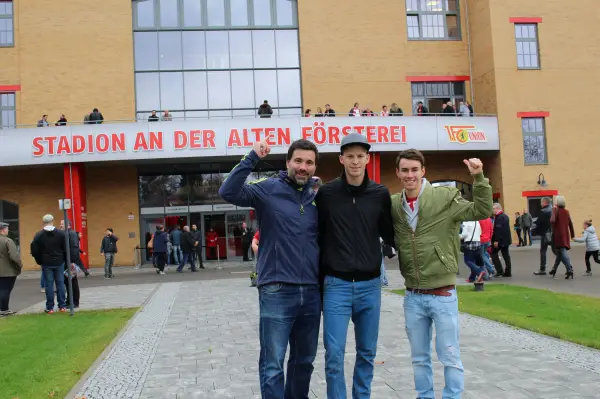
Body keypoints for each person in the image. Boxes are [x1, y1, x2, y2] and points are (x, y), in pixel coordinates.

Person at [219, 139, 321, 399]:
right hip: (276, 289)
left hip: (311, 291)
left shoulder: (318, 196)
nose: (303, 167)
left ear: (314, 167)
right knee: (273, 364)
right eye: (297, 161)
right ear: (287, 162)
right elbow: (228, 192)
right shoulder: (267, 189)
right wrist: (252, 156)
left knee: (304, 362)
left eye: (309, 162)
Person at [390, 149, 492, 399]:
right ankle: (424, 396)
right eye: (405, 170)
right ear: (398, 173)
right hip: (413, 295)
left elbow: (482, 210)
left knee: (449, 355)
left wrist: (479, 178)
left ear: (423, 171)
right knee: (419, 358)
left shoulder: (445, 197)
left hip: (443, 294)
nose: (410, 175)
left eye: (415, 169)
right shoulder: (394, 204)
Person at [316, 133, 395, 398]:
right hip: (336, 285)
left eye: (360, 156)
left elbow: (391, 233)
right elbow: (317, 235)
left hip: (369, 286)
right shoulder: (326, 194)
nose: (355, 161)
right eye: (350, 156)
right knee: (334, 354)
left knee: (367, 352)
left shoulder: (380, 194)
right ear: (341, 159)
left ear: (367, 159)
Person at [31, 214, 68, 314]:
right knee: (60, 283)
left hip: (46, 262)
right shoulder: (61, 234)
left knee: (49, 285)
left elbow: (34, 250)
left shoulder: (39, 235)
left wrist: (39, 260)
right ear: (53, 221)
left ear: (43, 222)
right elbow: (65, 249)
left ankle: (50, 307)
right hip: (59, 261)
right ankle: (62, 306)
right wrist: (65, 260)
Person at [549, 196, 575, 279]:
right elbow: (570, 224)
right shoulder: (566, 212)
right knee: (559, 253)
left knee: (562, 252)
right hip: (565, 234)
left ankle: (569, 269)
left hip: (558, 235)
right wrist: (572, 235)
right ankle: (554, 269)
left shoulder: (556, 211)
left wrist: (553, 211)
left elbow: (552, 221)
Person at [0, 222, 22, 317]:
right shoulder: (7, 241)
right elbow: (14, 256)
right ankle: (4, 309)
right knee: (5, 290)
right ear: (3, 229)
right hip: (7, 271)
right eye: (7, 228)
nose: (8, 230)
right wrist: (19, 265)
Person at [61, 220, 81, 308]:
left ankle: (73, 302)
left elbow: (74, 248)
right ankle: (70, 301)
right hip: (68, 261)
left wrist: (71, 261)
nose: (60, 226)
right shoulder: (68, 233)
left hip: (70, 262)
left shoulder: (71, 234)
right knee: (69, 281)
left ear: (68, 225)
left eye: (62, 224)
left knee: (71, 282)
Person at [491, 203, 513, 277]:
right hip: (506, 240)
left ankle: (500, 271)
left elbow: (498, 229)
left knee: (493, 254)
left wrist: (496, 240)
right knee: (506, 256)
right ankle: (508, 272)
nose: (492, 210)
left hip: (500, 241)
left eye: (493, 209)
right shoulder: (505, 216)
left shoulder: (499, 217)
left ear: (497, 208)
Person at [534, 197, 553, 275]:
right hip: (553, 233)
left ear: (545, 202)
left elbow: (538, 222)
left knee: (543, 251)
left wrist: (533, 230)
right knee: (557, 251)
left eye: (541, 202)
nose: (540, 204)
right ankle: (569, 267)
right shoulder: (553, 210)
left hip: (545, 234)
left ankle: (542, 269)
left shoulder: (544, 211)